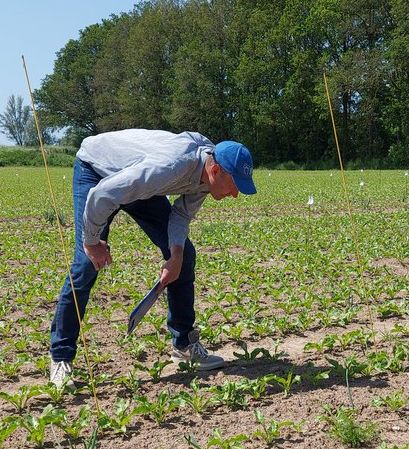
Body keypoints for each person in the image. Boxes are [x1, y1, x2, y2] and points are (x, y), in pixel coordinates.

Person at [48, 129, 257, 388]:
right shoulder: (171, 167)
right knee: (86, 264)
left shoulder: (207, 173)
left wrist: (176, 256)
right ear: (216, 171)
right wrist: (92, 242)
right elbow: (102, 194)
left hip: (137, 183)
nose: (235, 195)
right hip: (100, 171)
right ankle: (60, 357)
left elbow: (180, 216)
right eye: (235, 186)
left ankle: (183, 345)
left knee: (184, 254)